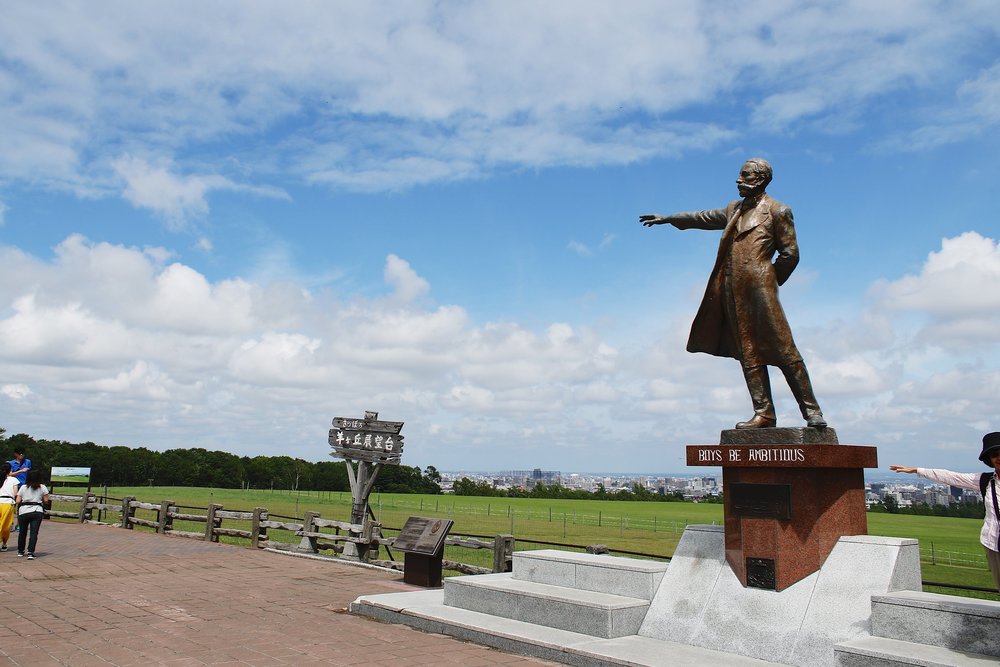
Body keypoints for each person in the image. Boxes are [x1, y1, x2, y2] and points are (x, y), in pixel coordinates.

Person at [640, 158, 826, 429]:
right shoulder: (733, 210)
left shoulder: (778, 210)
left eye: (745, 176)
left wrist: (769, 280)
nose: (738, 181)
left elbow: (790, 254)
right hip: (732, 289)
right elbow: (702, 217)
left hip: (761, 290)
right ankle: (764, 413)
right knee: (747, 351)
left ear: (760, 180)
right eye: (740, 176)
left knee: (785, 350)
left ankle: (812, 411)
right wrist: (669, 218)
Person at [890, 432, 1000, 592]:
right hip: (993, 542)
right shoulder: (985, 481)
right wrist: (917, 470)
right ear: (989, 459)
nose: (998, 458)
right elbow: (952, 477)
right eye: (994, 454)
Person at [15, 469, 48, 560]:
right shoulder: (42, 487)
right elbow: (46, 500)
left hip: (24, 511)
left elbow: (18, 501)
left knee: (22, 532)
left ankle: (20, 551)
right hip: (37, 510)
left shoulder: (23, 487)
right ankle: (30, 552)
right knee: (34, 532)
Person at [0, 463, 18, 551]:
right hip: (7, 503)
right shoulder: (13, 480)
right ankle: (4, 542)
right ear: (10, 470)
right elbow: (15, 493)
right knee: (6, 525)